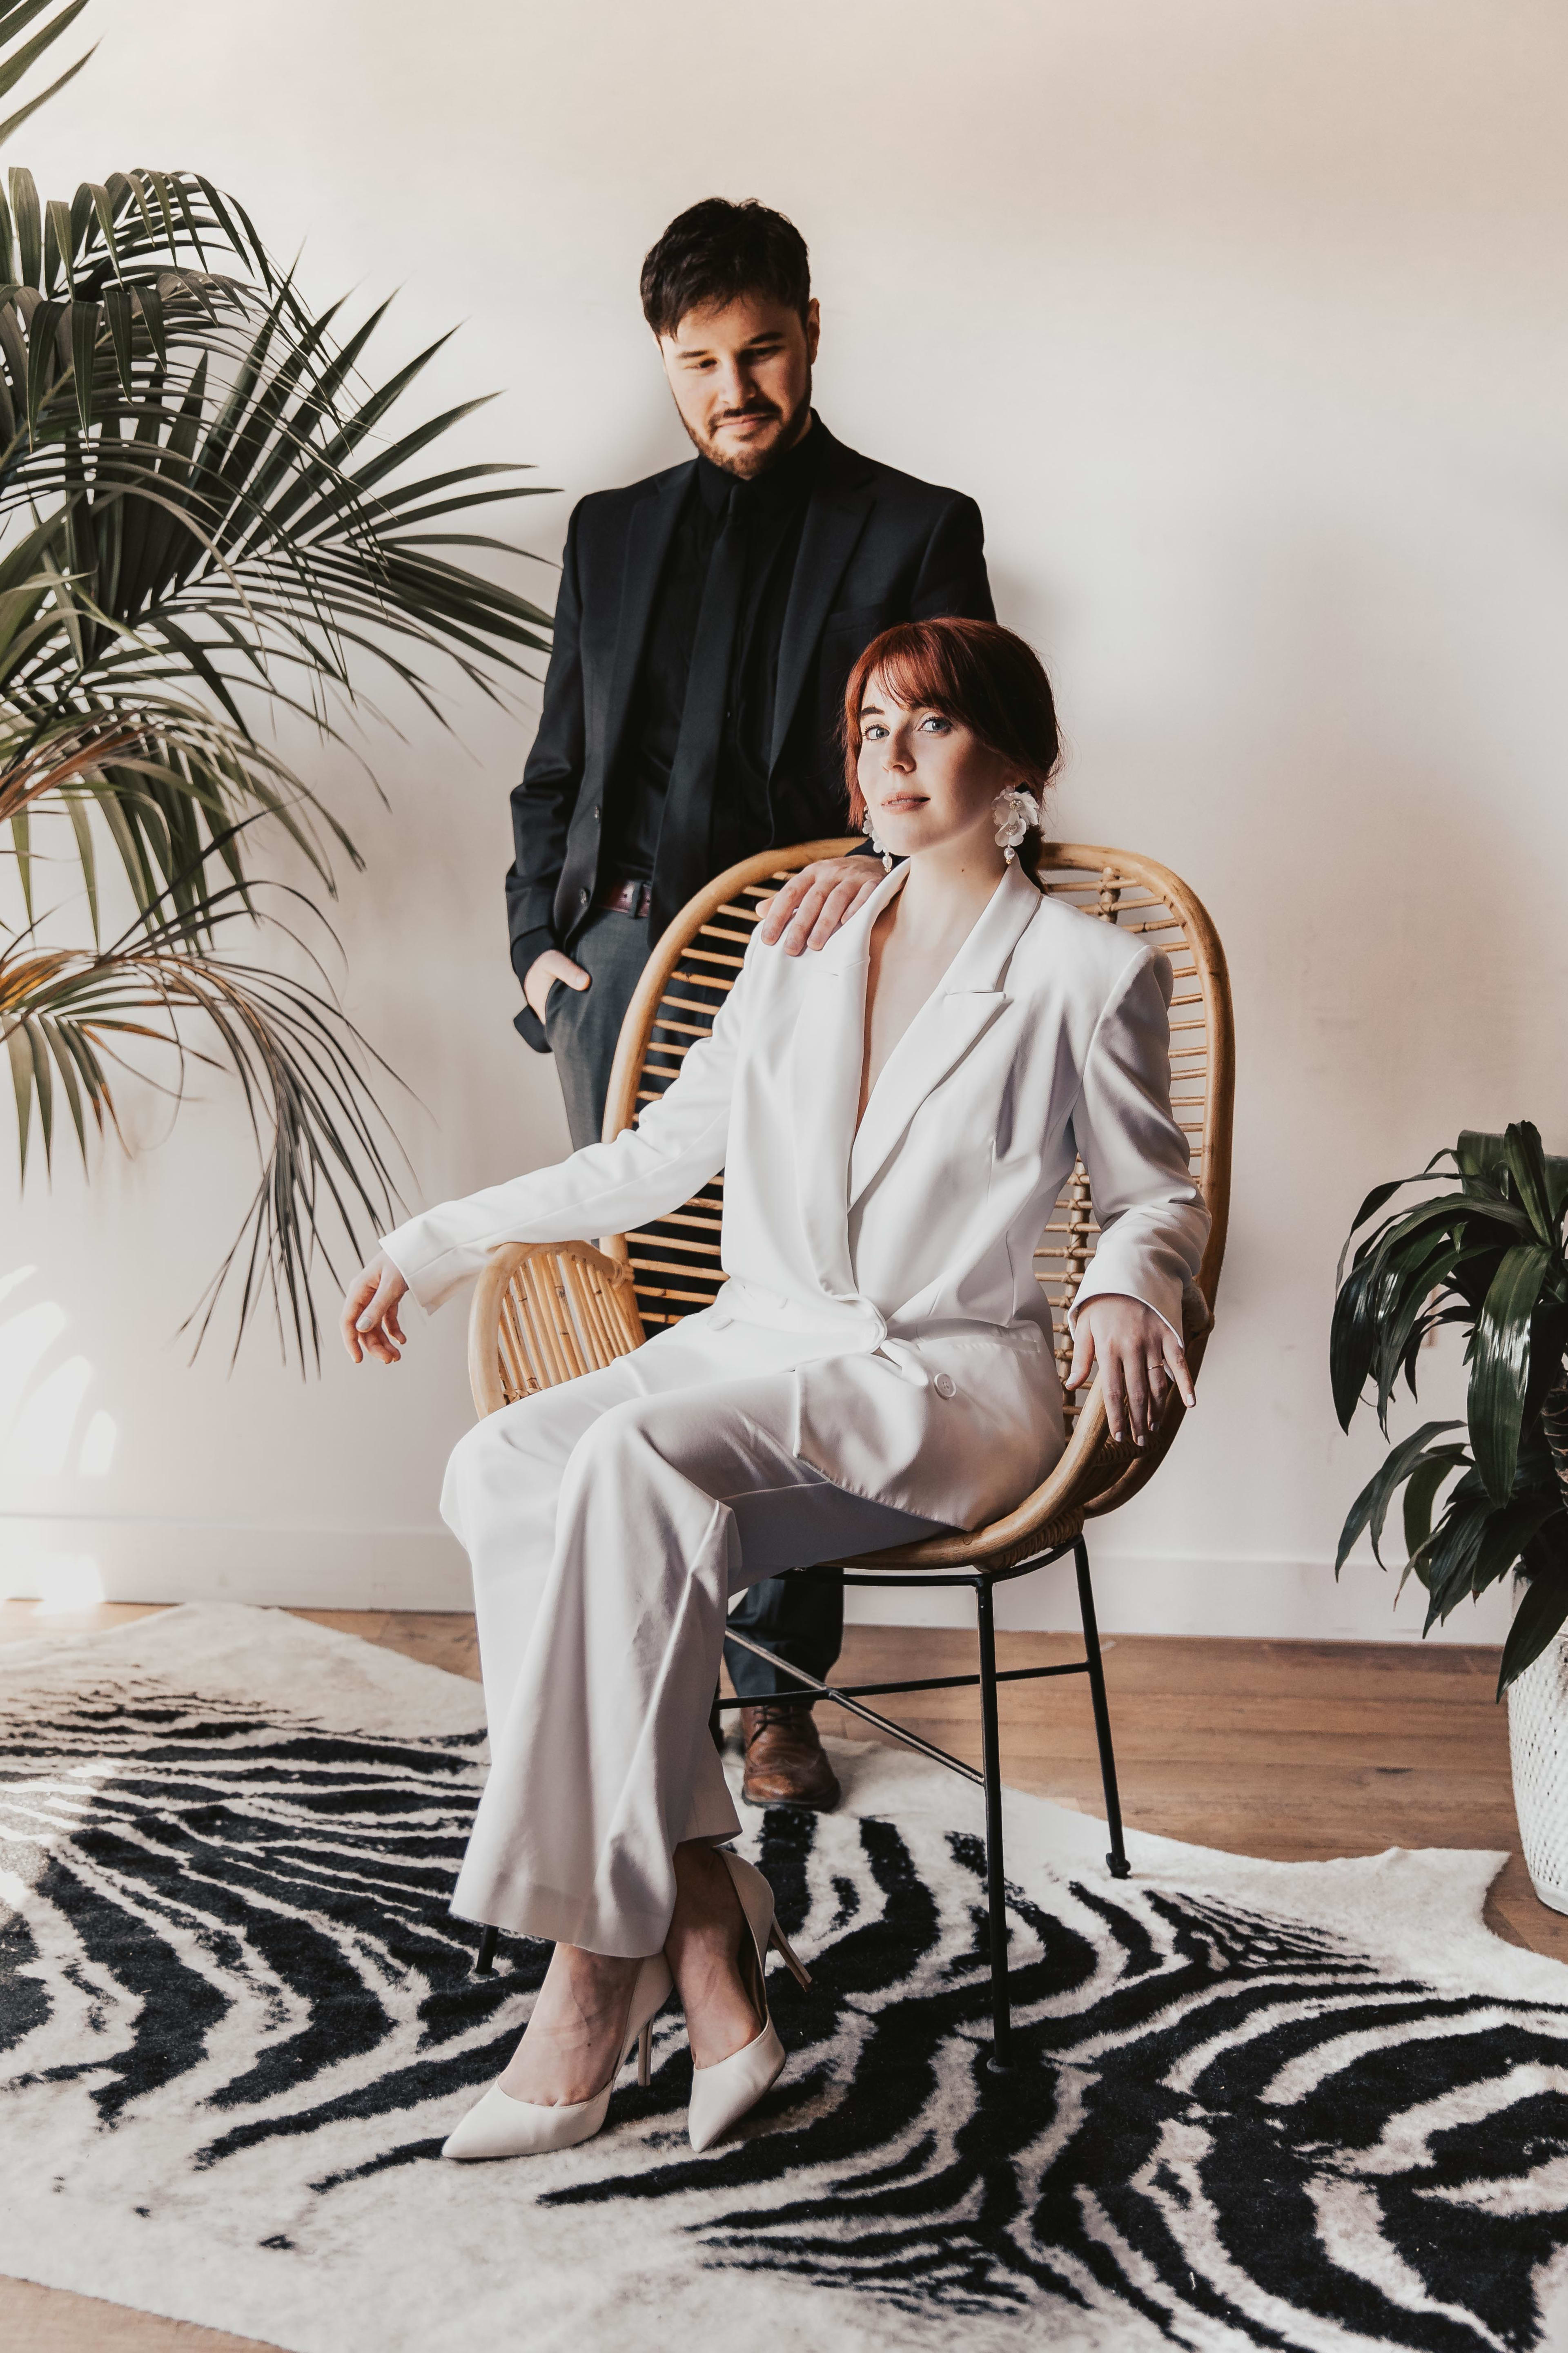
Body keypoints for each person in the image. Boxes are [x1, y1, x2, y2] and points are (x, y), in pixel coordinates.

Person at [342, 617, 1209, 2163]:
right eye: (869, 724)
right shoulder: (799, 938)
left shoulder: (1091, 967)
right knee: (501, 1469)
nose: (887, 756)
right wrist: (439, 1238)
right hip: (758, 1344)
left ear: (1018, 760)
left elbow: (1157, 1191)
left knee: (627, 1467)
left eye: (929, 726)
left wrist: (1131, 1279)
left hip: (940, 1377)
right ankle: (702, 1909)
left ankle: (595, 1977)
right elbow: (660, 1155)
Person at [507, 198, 996, 1809]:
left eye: (764, 351)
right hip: (623, 973)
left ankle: (776, 1691)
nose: (737, 390)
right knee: (646, 1314)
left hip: (814, 974)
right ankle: (641, 1666)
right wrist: (540, 945)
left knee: (786, 1310)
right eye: (704, 362)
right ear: (665, 358)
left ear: (812, 327)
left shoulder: (917, 528)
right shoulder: (607, 532)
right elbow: (557, 770)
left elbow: (955, 765)